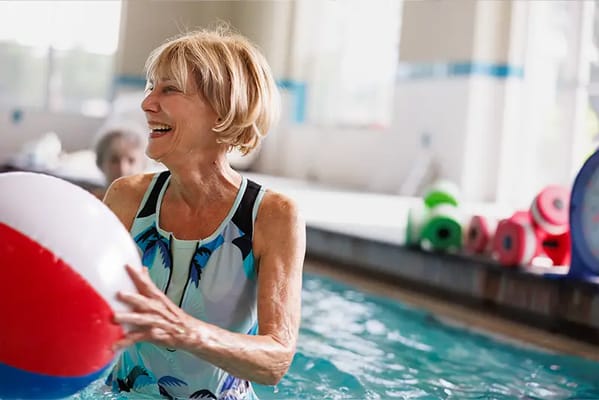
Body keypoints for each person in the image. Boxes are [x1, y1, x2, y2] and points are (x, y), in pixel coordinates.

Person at [102, 27, 306, 400]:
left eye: (169, 89)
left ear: (222, 108)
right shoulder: (127, 198)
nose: (147, 104)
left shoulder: (272, 216)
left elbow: (276, 358)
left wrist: (186, 331)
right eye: (150, 88)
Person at [94, 122, 148, 192]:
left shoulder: (158, 201)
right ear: (100, 163)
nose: (123, 169)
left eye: (131, 160)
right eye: (114, 160)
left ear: (143, 164)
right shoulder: (90, 200)